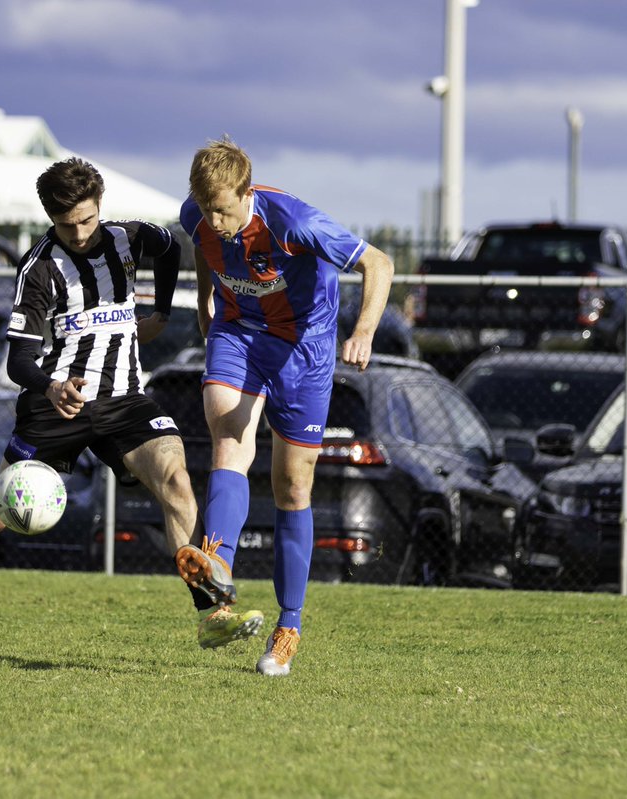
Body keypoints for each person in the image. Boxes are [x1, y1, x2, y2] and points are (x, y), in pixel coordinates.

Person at [0, 157, 263, 657]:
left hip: (125, 398)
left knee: (175, 478)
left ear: (100, 206)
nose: (81, 232)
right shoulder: (39, 266)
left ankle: (211, 615)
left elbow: (173, 245)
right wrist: (51, 387)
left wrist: (161, 311)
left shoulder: (129, 238)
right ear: (51, 218)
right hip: (56, 407)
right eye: (68, 224)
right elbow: (20, 359)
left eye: (87, 219)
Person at [179, 136, 394, 676]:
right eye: (207, 209)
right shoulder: (198, 214)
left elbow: (379, 263)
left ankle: (288, 625)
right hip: (239, 334)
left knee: (292, 487)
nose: (217, 220)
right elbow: (206, 247)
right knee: (228, 435)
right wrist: (207, 302)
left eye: (225, 210)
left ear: (247, 192)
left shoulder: (294, 222)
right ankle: (218, 572)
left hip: (305, 351)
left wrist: (363, 331)